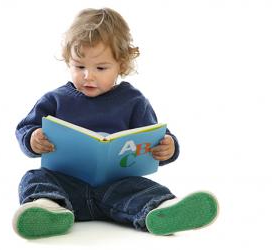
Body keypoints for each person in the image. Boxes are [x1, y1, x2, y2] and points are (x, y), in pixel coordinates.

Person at [13, 7, 218, 239]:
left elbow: (155, 136)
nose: (88, 75)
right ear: (68, 60)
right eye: (79, 66)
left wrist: (168, 147)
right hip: (66, 188)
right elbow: (25, 128)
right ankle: (48, 209)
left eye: (100, 68)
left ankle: (163, 210)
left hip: (117, 188)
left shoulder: (133, 101)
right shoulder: (55, 99)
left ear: (121, 65)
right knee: (33, 178)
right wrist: (33, 138)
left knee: (143, 188)